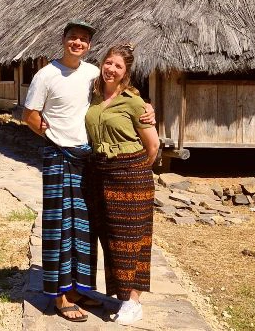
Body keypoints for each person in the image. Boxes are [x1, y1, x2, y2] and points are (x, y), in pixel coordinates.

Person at [22, 20, 155, 323]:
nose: (77, 43)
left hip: (88, 160)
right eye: (73, 38)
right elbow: (29, 115)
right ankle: (59, 295)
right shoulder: (46, 75)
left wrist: (148, 109)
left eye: (83, 39)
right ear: (63, 40)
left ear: (89, 46)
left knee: (83, 228)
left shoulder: (93, 73)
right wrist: (52, 136)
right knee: (59, 226)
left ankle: (77, 289)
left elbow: (121, 92)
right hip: (59, 157)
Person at [85, 44, 159, 326]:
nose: (111, 69)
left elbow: (153, 146)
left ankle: (134, 301)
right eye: (108, 63)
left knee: (133, 239)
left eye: (118, 66)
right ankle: (122, 295)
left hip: (131, 173)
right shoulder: (92, 96)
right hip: (100, 171)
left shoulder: (134, 102)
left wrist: (134, 169)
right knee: (110, 237)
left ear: (125, 73)